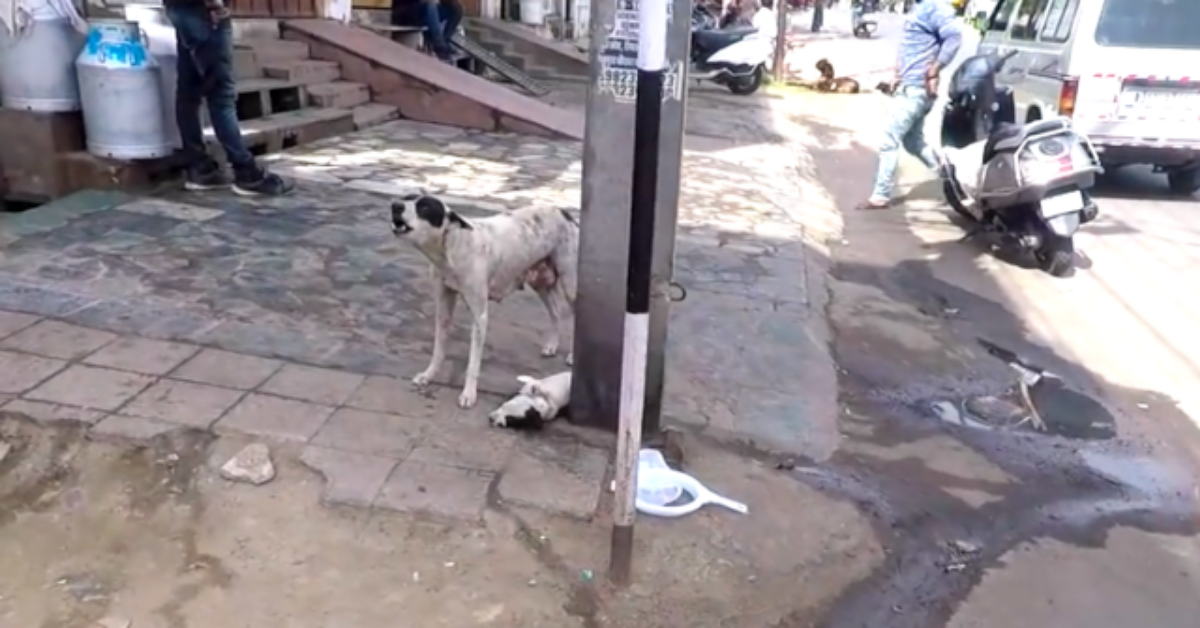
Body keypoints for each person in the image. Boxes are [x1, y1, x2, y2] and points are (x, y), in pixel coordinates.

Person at [164, 0, 293, 196]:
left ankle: (200, 168)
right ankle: (247, 173)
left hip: (180, 8)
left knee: (189, 90)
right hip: (204, 11)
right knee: (220, 95)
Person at [856, 0, 963, 210]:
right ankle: (952, 178)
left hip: (917, 89)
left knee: (890, 140)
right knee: (912, 141)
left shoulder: (934, 7)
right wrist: (897, 74)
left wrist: (935, 68)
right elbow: (908, 45)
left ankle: (880, 195)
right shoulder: (919, 7)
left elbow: (954, 37)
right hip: (910, 86)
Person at [391, 0, 463, 63]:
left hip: (423, 11)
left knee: (457, 8)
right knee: (430, 6)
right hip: (403, 11)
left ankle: (445, 41)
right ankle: (439, 46)